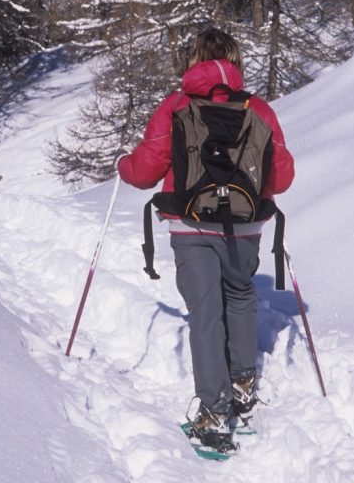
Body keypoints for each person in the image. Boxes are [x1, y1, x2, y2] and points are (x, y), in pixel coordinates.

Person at [116, 28, 295, 445]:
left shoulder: (176, 106)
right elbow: (282, 177)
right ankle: (242, 383)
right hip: (246, 223)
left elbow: (144, 171)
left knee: (205, 312)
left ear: (191, 60)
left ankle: (214, 414)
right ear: (235, 61)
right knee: (240, 295)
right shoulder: (259, 109)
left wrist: (124, 163)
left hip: (190, 222)